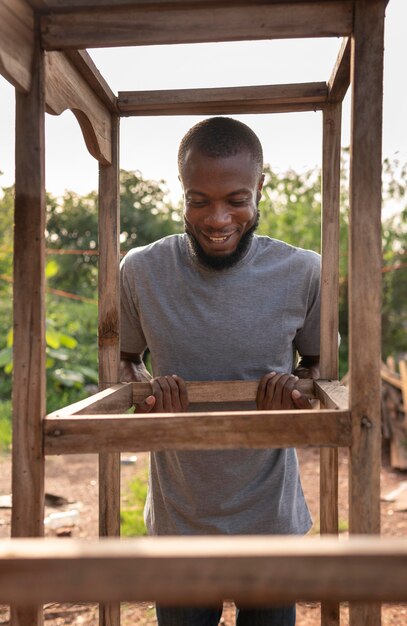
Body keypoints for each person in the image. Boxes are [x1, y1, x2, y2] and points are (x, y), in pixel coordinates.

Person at [120, 117, 320, 626]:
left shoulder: (303, 272)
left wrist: (295, 394)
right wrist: (144, 393)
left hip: (269, 521)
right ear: (181, 193)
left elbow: (319, 371)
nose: (217, 218)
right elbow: (123, 364)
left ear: (259, 191)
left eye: (236, 199)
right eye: (198, 200)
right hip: (179, 519)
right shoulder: (141, 270)